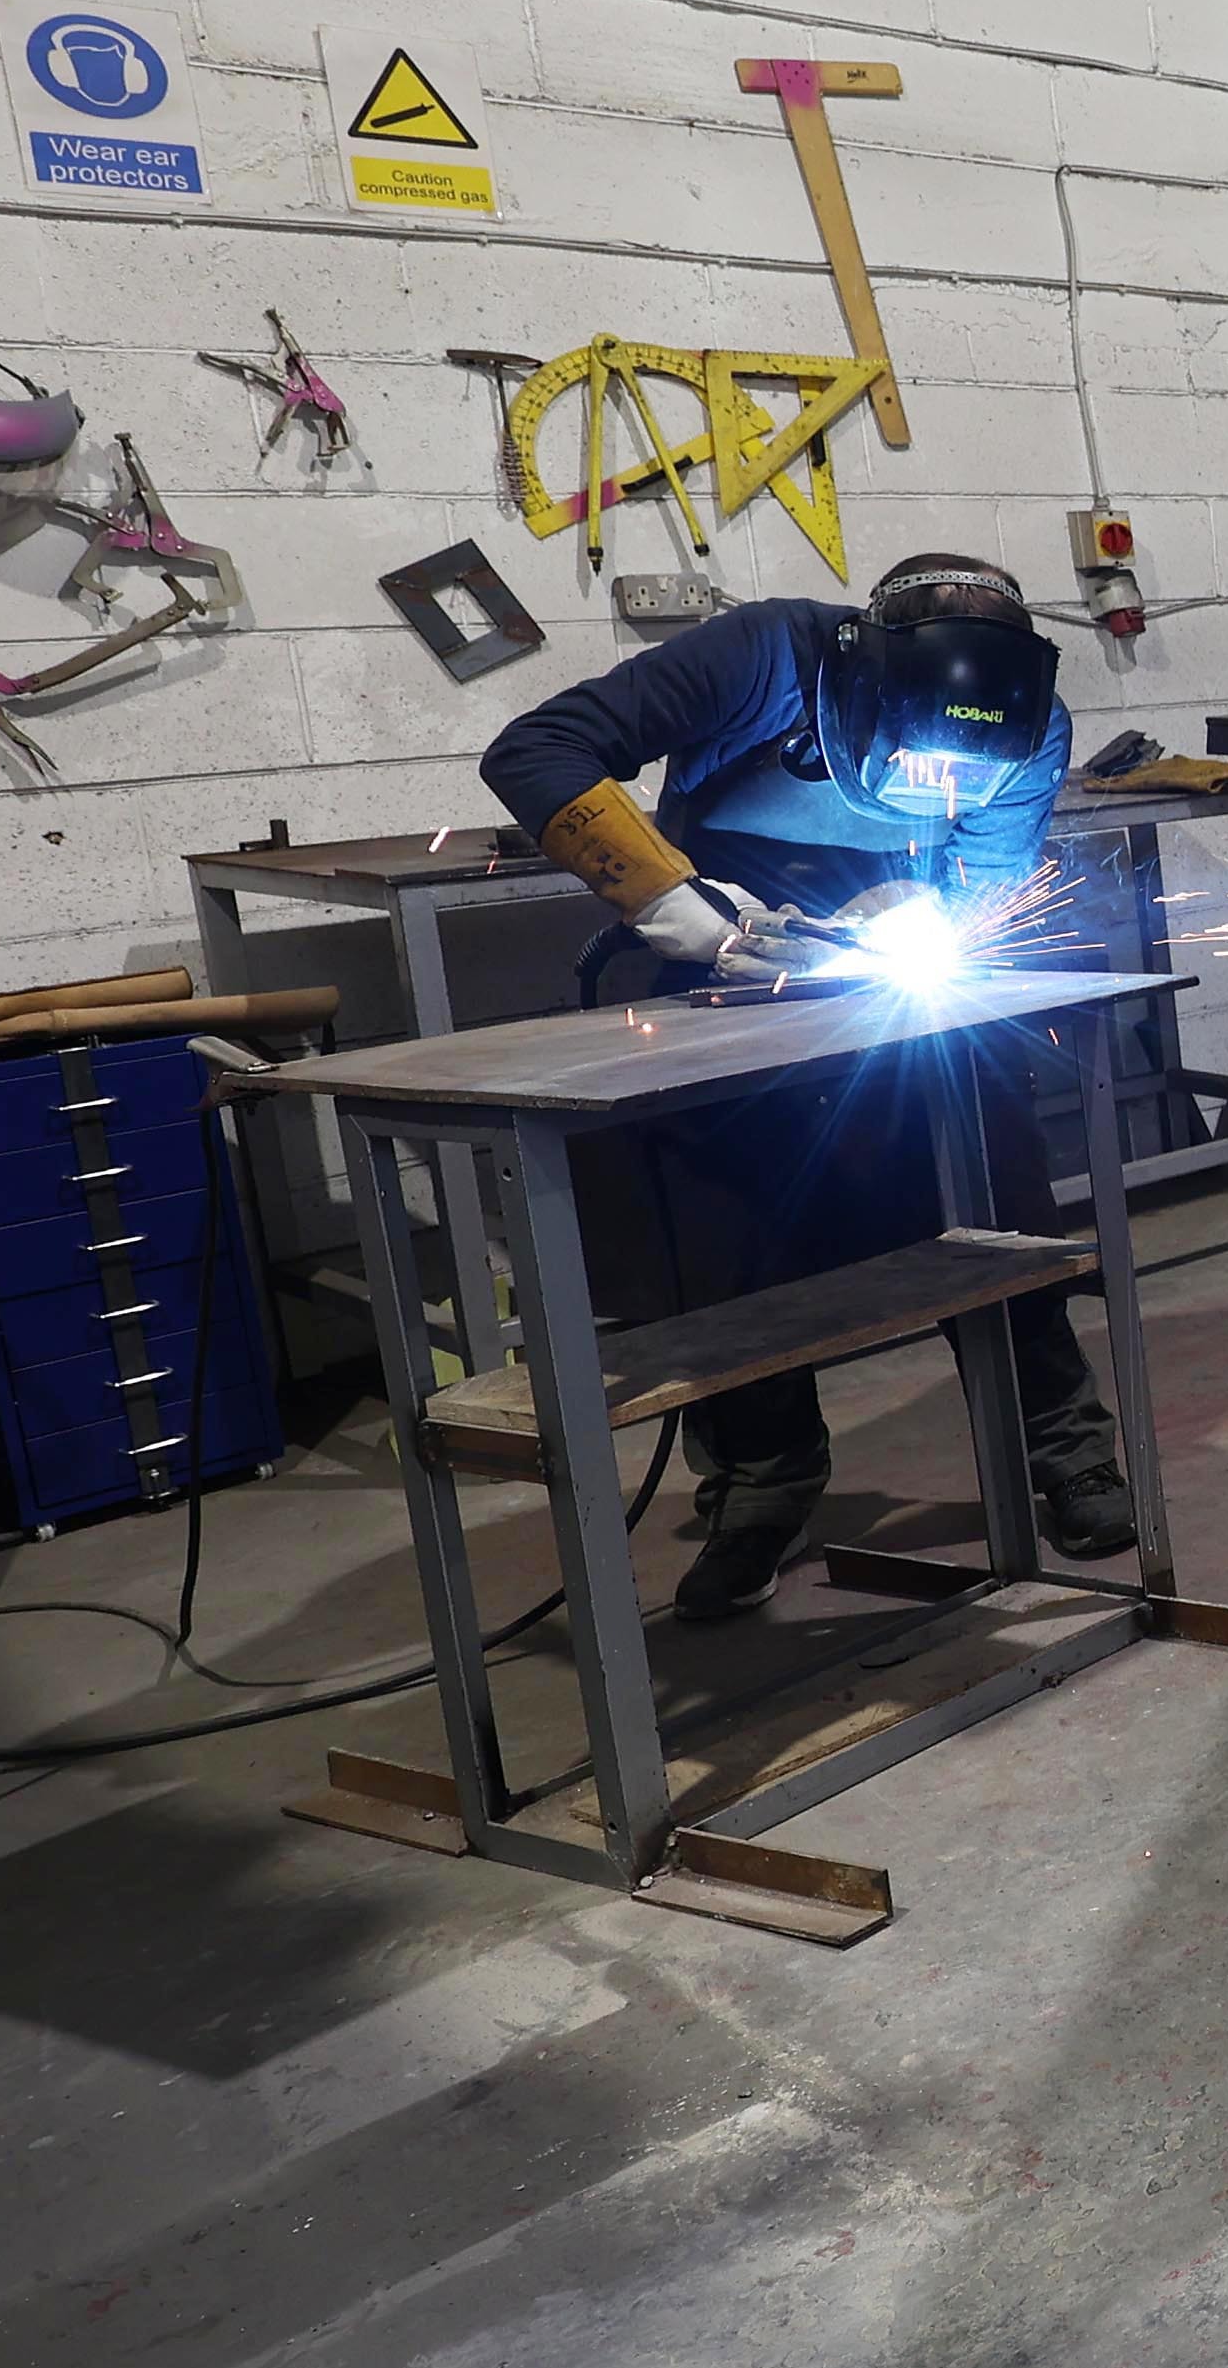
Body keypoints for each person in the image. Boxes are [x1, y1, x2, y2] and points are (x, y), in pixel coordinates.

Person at [483, 555, 1132, 1620]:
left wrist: (916, 913)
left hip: (890, 988)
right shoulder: (763, 658)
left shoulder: (1030, 722)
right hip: (717, 974)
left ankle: (1063, 1448)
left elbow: (987, 889)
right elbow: (536, 751)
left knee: (999, 1198)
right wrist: (679, 907)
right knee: (726, 1245)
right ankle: (760, 1483)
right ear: (866, 677)